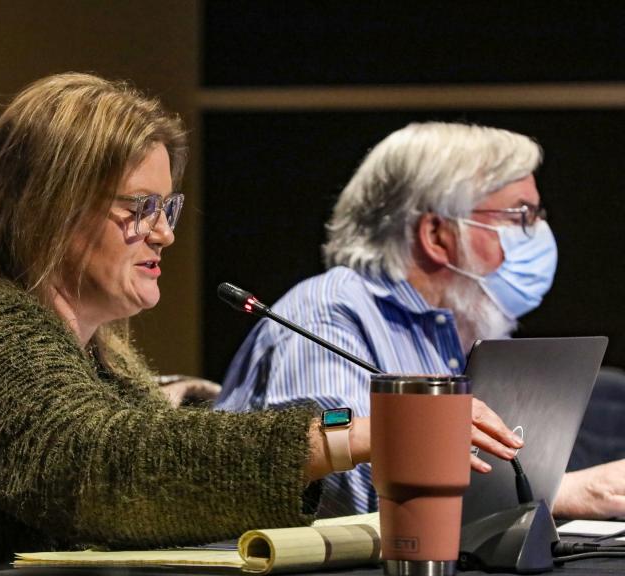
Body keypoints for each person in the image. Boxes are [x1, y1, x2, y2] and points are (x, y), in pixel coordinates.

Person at [0, 73, 388, 576]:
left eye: (166, 208)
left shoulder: (102, 357)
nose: (164, 234)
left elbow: (165, 489)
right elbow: (108, 469)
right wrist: (350, 436)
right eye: (139, 208)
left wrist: (351, 426)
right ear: (47, 207)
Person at [217, 121, 625, 520]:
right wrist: (559, 494)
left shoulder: (458, 329)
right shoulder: (329, 310)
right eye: (521, 216)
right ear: (437, 234)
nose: (540, 232)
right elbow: (344, 495)